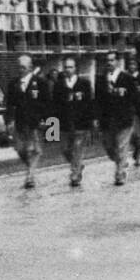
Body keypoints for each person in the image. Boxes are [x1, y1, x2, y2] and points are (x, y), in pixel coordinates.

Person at [96, 50, 140, 186]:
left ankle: (120, 173)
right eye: (107, 61)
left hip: (124, 119)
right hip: (107, 120)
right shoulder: (101, 79)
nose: (109, 63)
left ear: (117, 62)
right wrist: (96, 117)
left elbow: (135, 98)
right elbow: (98, 100)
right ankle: (120, 161)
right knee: (110, 147)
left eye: (112, 60)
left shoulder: (126, 78)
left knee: (122, 146)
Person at [6, 54, 50, 189]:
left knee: (33, 149)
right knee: (20, 149)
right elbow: (9, 104)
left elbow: (47, 102)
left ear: (30, 67)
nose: (21, 70)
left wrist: (45, 119)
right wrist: (9, 120)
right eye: (19, 67)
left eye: (23, 67)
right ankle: (31, 169)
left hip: (34, 122)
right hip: (20, 122)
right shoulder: (13, 84)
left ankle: (30, 176)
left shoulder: (40, 82)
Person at [54, 57, 94, 187]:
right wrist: (52, 125)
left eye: (70, 67)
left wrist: (91, 120)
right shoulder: (59, 85)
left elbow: (89, 104)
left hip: (80, 123)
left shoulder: (84, 84)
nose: (68, 70)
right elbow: (55, 105)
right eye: (66, 67)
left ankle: (75, 174)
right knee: (65, 149)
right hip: (64, 123)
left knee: (77, 148)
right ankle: (77, 165)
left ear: (75, 68)